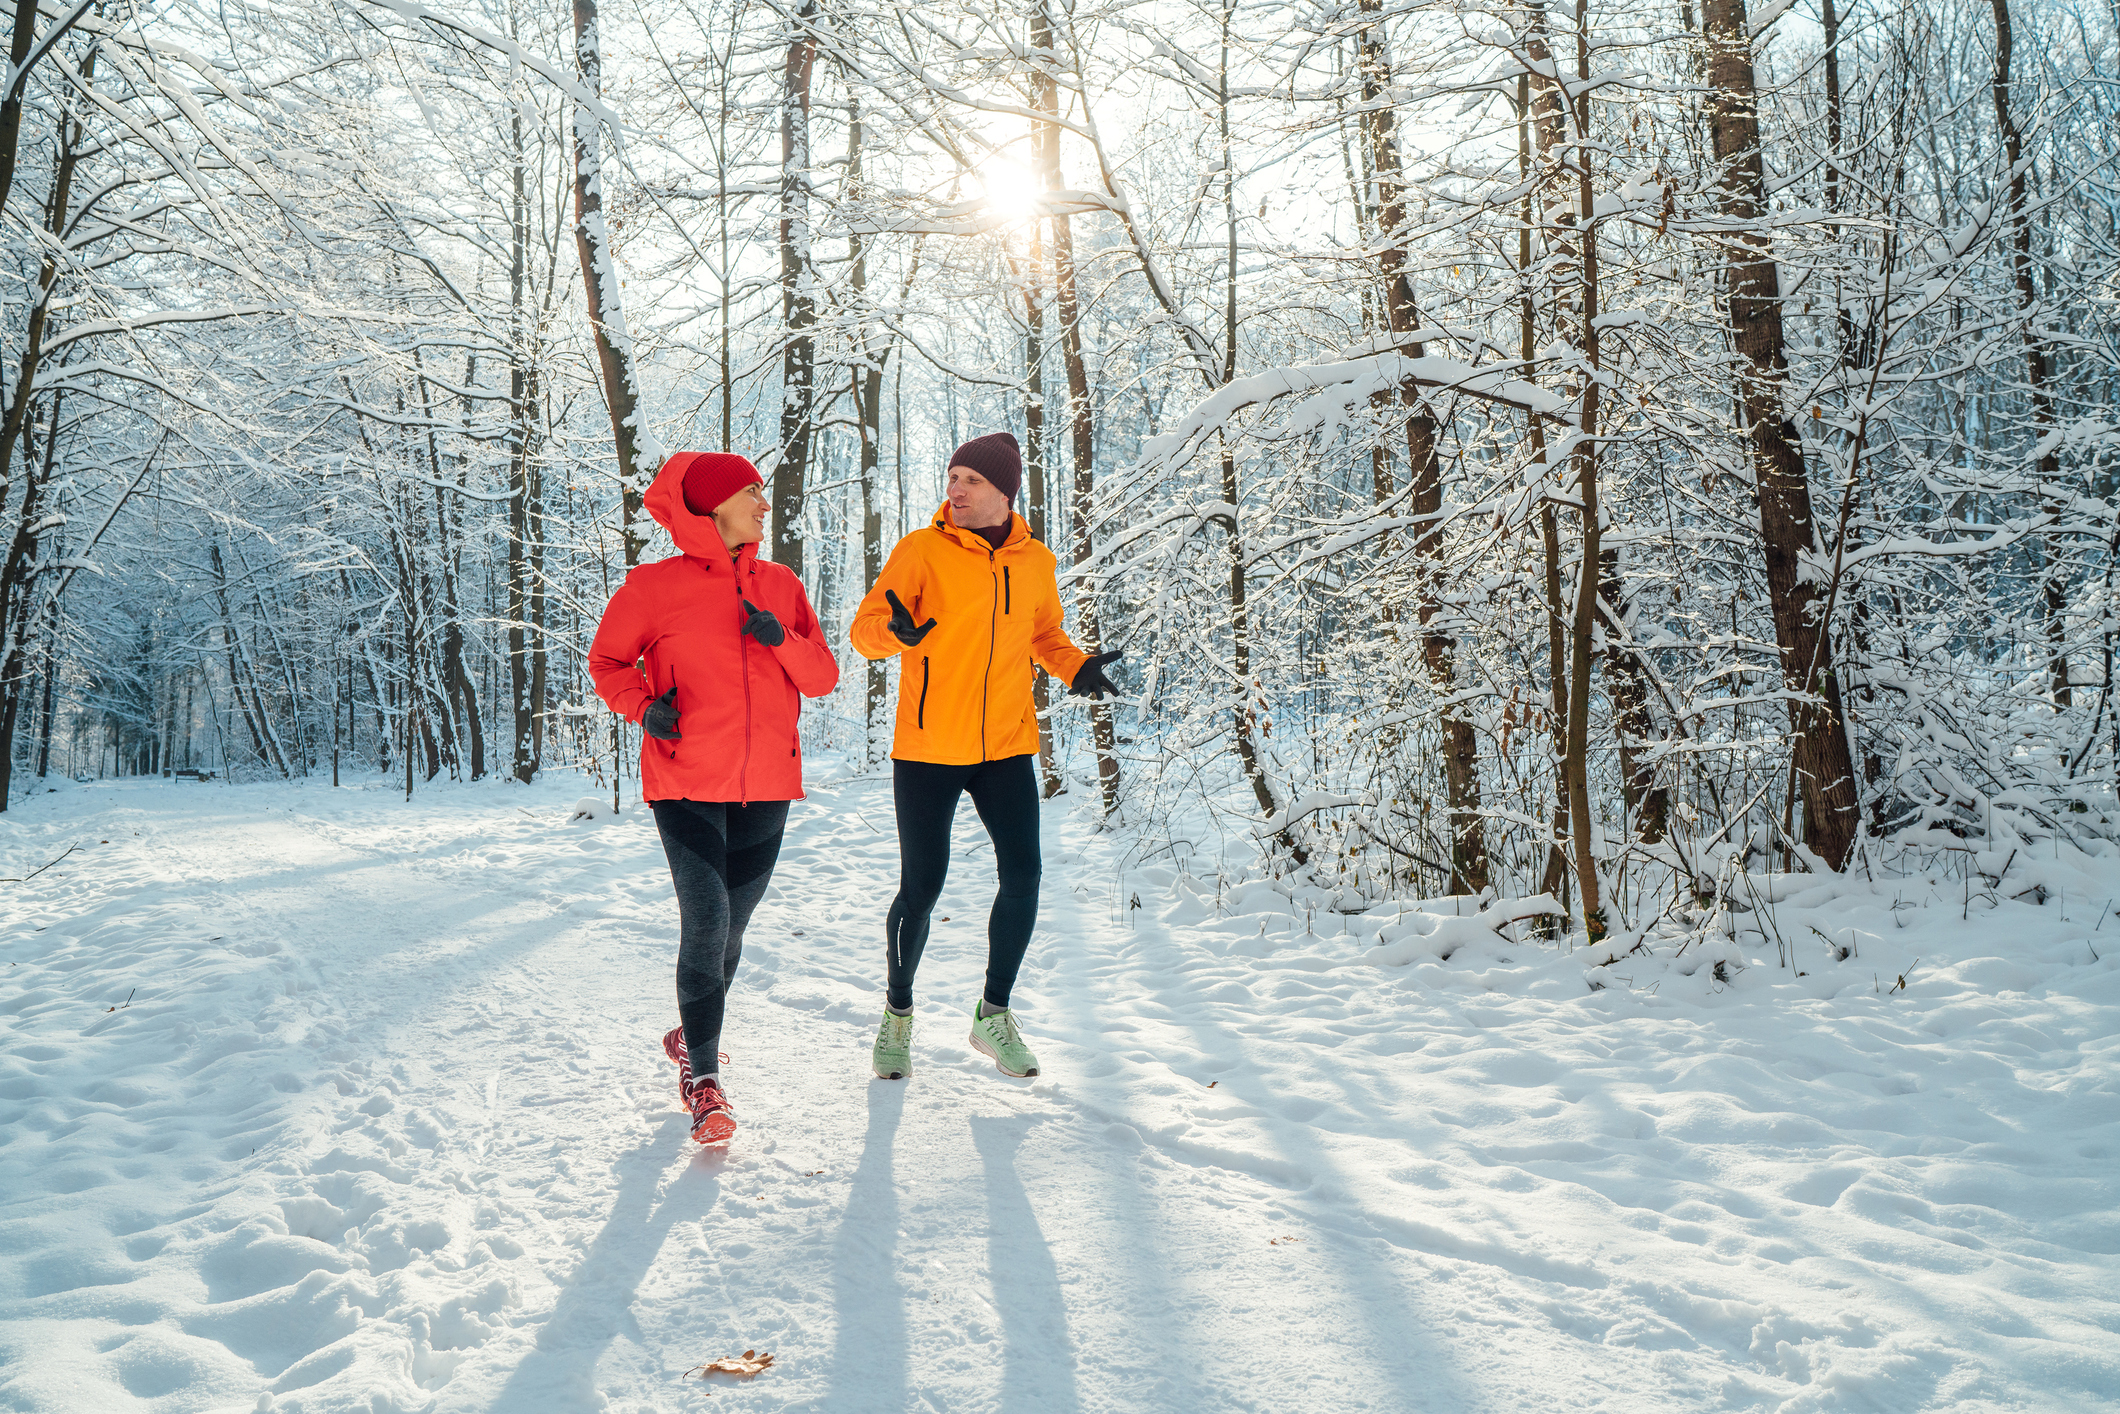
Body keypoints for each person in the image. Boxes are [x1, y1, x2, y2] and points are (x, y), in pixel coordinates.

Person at [849, 432, 1121, 1081]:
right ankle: (897, 1016)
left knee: (1024, 875)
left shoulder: (1036, 562)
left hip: (1005, 745)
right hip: (927, 749)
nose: (956, 489)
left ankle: (992, 1014)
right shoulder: (921, 551)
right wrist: (894, 631)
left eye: (970, 479)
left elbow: (1044, 633)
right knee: (923, 886)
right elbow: (864, 632)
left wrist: (1074, 667)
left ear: (1005, 492)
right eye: (952, 477)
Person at [589, 451, 839, 1144]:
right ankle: (703, 1080)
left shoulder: (780, 584)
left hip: (767, 784)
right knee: (706, 919)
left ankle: (691, 1029)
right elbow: (607, 661)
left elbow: (821, 678)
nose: (765, 505)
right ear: (715, 505)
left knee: (733, 926)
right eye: (753, 493)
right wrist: (644, 707)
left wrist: (779, 636)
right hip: (685, 779)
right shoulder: (653, 587)